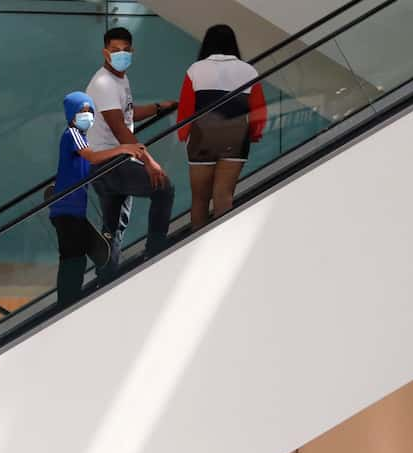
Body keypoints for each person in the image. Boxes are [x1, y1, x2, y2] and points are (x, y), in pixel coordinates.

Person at [86, 27, 177, 281]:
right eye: (115, 51)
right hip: (109, 161)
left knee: (115, 225)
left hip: (111, 162)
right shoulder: (103, 83)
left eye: (126, 50)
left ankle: (106, 276)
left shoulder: (119, 79)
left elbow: (126, 113)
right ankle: (156, 252)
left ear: (132, 51)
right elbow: (119, 128)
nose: (121, 55)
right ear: (105, 52)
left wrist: (158, 108)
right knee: (163, 187)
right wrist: (149, 161)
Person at [50, 91, 148, 306]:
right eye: (82, 112)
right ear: (71, 114)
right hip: (65, 209)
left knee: (76, 256)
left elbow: (92, 165)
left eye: (89, 111)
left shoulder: (82, 138)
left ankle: (70, 300)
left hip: (75, 210)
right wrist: (123, 147)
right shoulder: (72, 134)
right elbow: (93, 157)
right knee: (72, 257)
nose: (87, 116)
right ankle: (66, 303)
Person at [176, 24, 267, 230]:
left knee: (199, 199)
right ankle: (219, 245)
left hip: (202, 137)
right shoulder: (249, 70)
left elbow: (186, 109)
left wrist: (183, 135)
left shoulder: (196, 69)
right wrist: (254, 134)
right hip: (235, 137)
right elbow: (259, 109)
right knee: (224, 196)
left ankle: (195, 242)